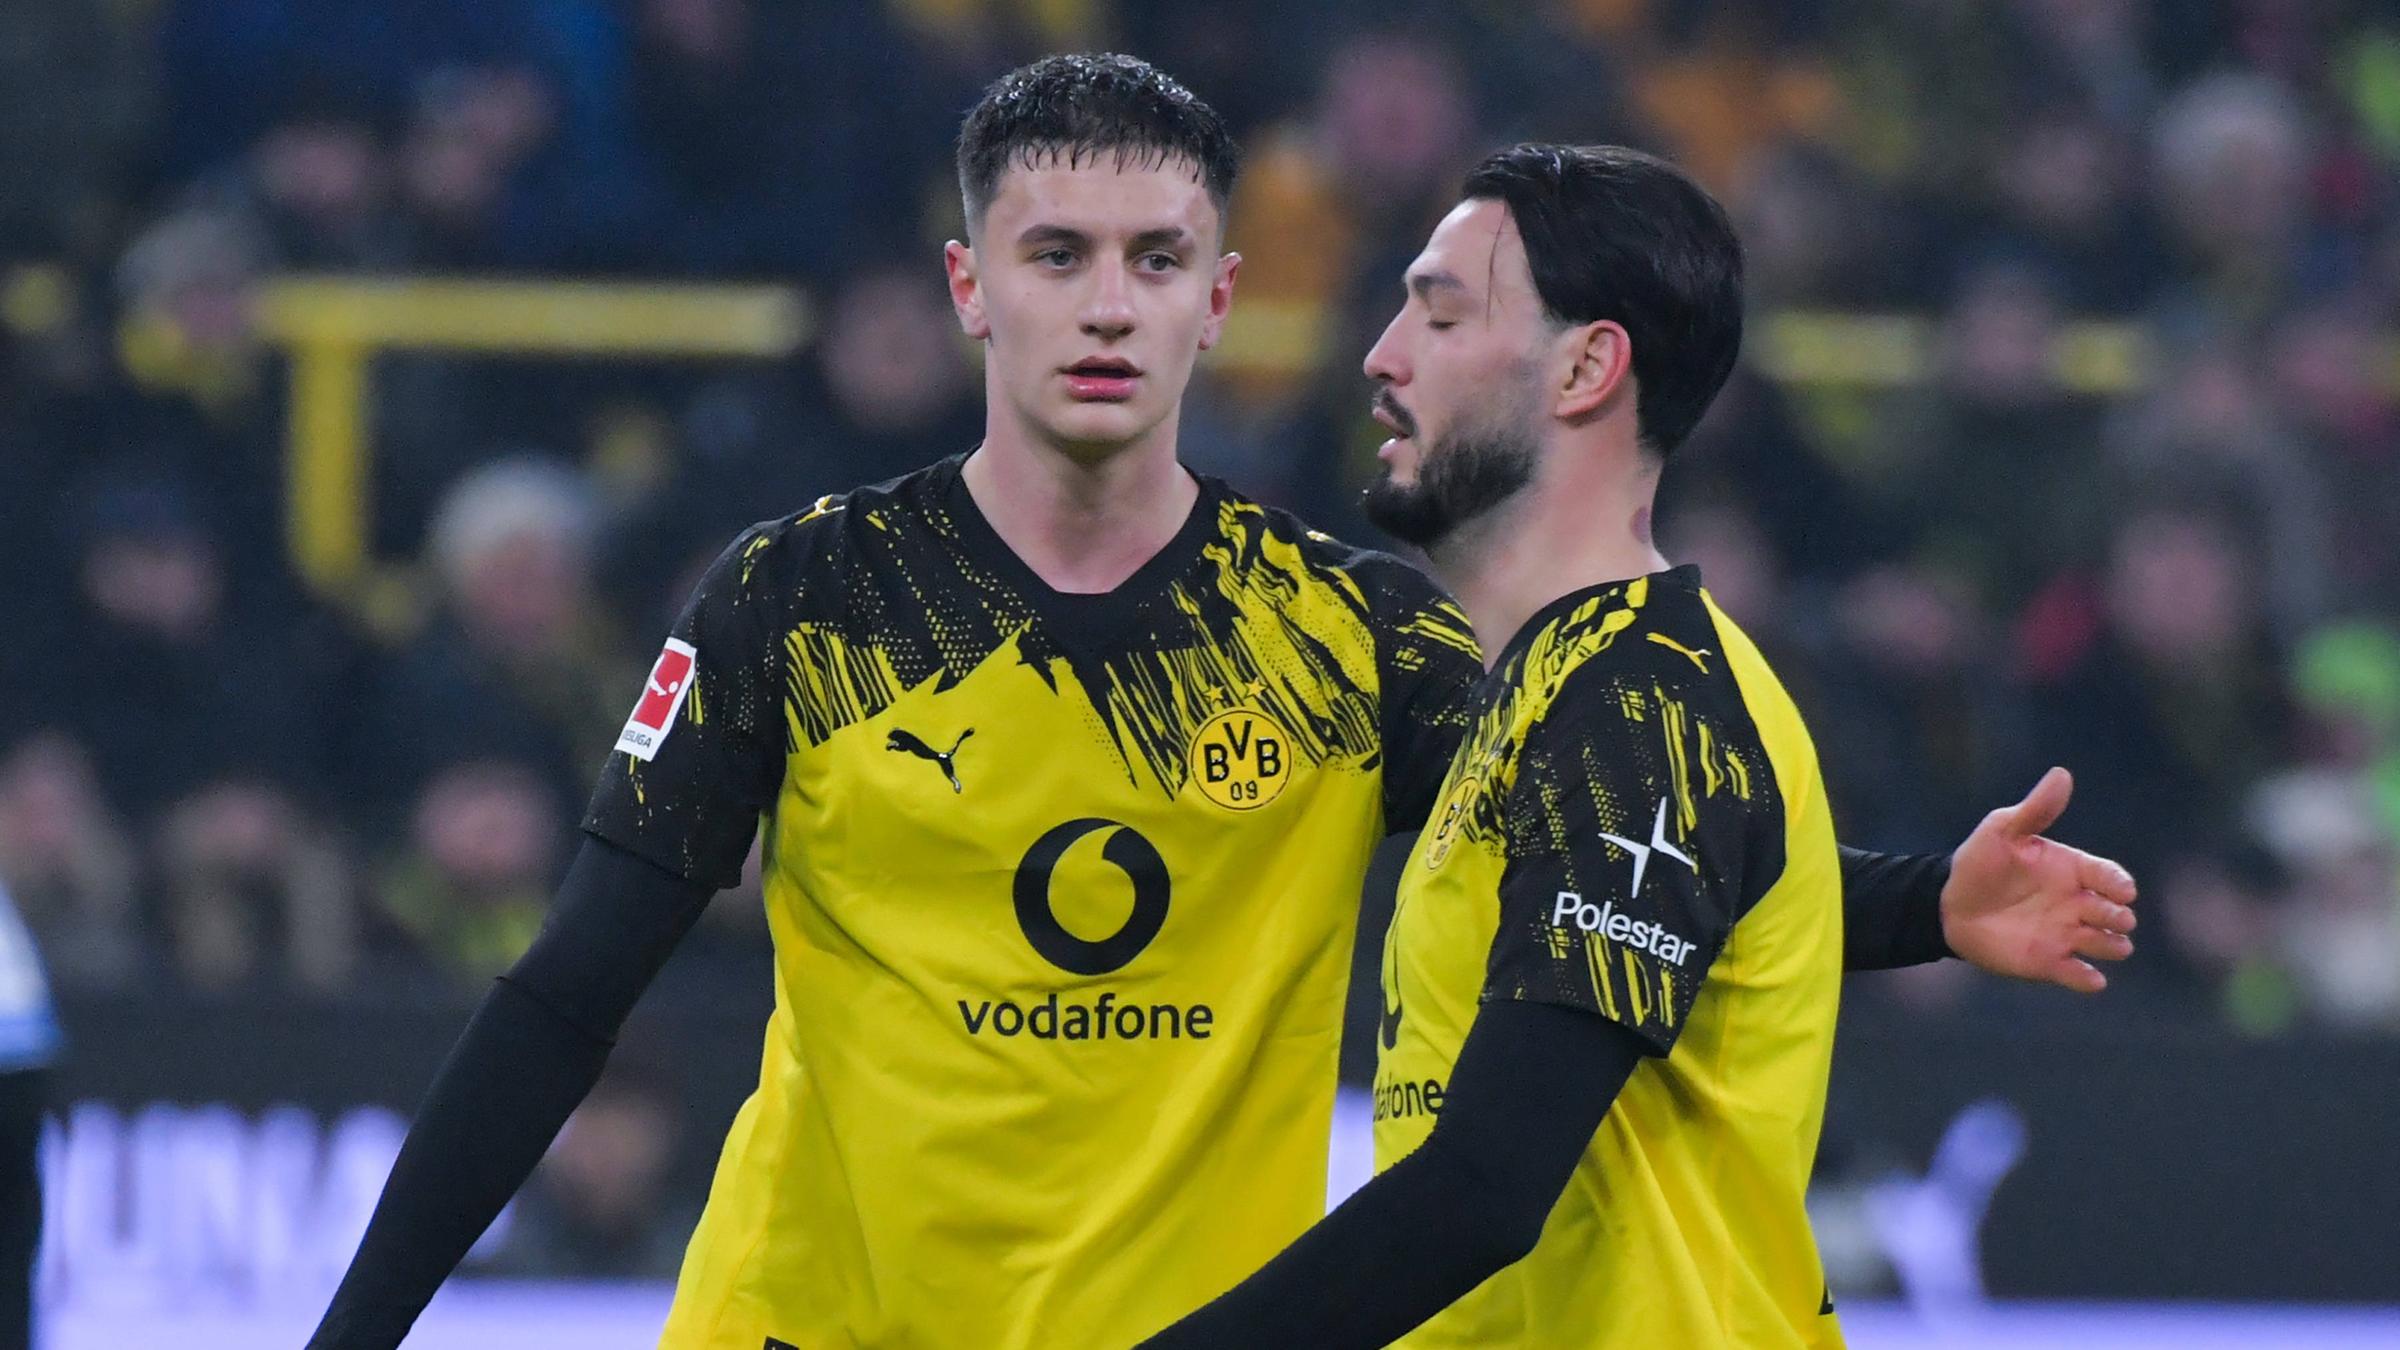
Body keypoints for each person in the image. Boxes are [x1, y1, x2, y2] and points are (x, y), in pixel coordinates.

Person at [309, 60, 2134, 1350]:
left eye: (1157, 261)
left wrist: (1920, 903)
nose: (1108, 308)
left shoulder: (1352, 636)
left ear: (1221, 300)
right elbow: (563, 996)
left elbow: (1617, 854)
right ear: (969, 289)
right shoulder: (802, 598)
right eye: (1056, 256)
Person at [1142, 145, 2136, 1348]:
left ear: (1586, 368)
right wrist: (1922, 902)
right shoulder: (1575, 689)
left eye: (1441, 315)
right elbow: (1669, 877)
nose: (1383, 355)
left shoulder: (1635, 707)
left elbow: (1483, 1192)